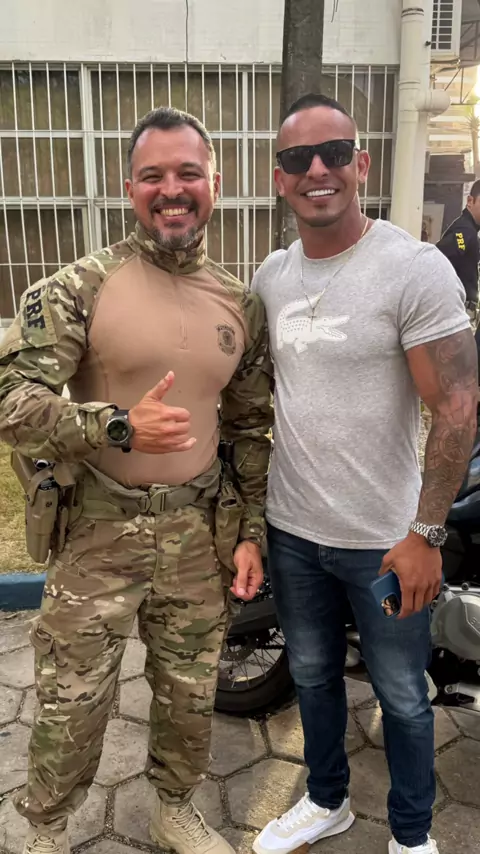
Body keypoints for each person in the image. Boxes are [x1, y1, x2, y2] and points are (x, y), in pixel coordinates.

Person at [0, 106, 273, 854]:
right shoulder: (81, 287)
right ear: (130, 188)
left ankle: (174, 808)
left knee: (190, 693)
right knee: (71, 698)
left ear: (215, 182)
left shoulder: (240, 303)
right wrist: (115, 426)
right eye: (153, 175)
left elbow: (250, 429)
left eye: (188, 172)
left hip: (198, 534)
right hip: (98, 529)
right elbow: (11, 399)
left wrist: (249, 533)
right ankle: (47, 830)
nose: (171, 189)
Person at [250, 94, 478, 854]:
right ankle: (327, 802)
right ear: (280, 178)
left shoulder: (413, 269)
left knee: (404, 697)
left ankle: (411, 836)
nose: (317, 170)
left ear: (362, 164)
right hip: (292, 532)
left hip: (385, 542)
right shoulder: (271, 277)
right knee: (312, 677)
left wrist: (426, 534)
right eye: (297, 159)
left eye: (335, 154)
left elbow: (457, 408)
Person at [436, 180, 480, 327]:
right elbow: (440, 258)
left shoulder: (469, 230)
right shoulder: (465, 231)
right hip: (457, 312)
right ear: (470, 201)